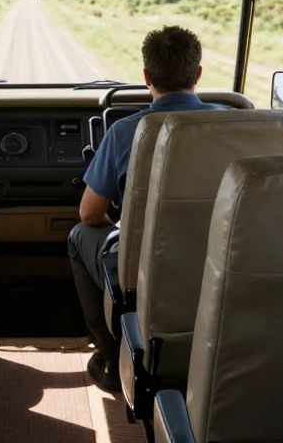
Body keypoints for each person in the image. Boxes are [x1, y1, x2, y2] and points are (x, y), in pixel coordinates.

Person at [68, 25, 223, 393]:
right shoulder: (236, 124)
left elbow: (89, 214)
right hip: (223, 254)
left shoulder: (126, 132)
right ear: (198, 74)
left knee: (79, 237)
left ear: (147, 77)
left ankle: (110, 355)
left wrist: (122, 228)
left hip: (145, 263)